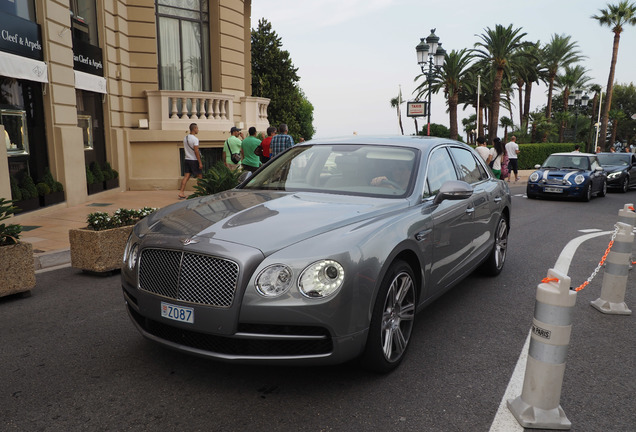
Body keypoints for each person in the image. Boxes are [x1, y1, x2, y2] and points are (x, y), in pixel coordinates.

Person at [178, 123, 202, 199]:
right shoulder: (195, 139)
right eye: (197, 128)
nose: (198, 130)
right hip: (194, 160)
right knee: (199, 176)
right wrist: (200, 162)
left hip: (187, 159)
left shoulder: (185, 138)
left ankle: (181, 192)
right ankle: (201, 192)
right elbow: (196, 151)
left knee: (186, 176)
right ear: (194, 129)